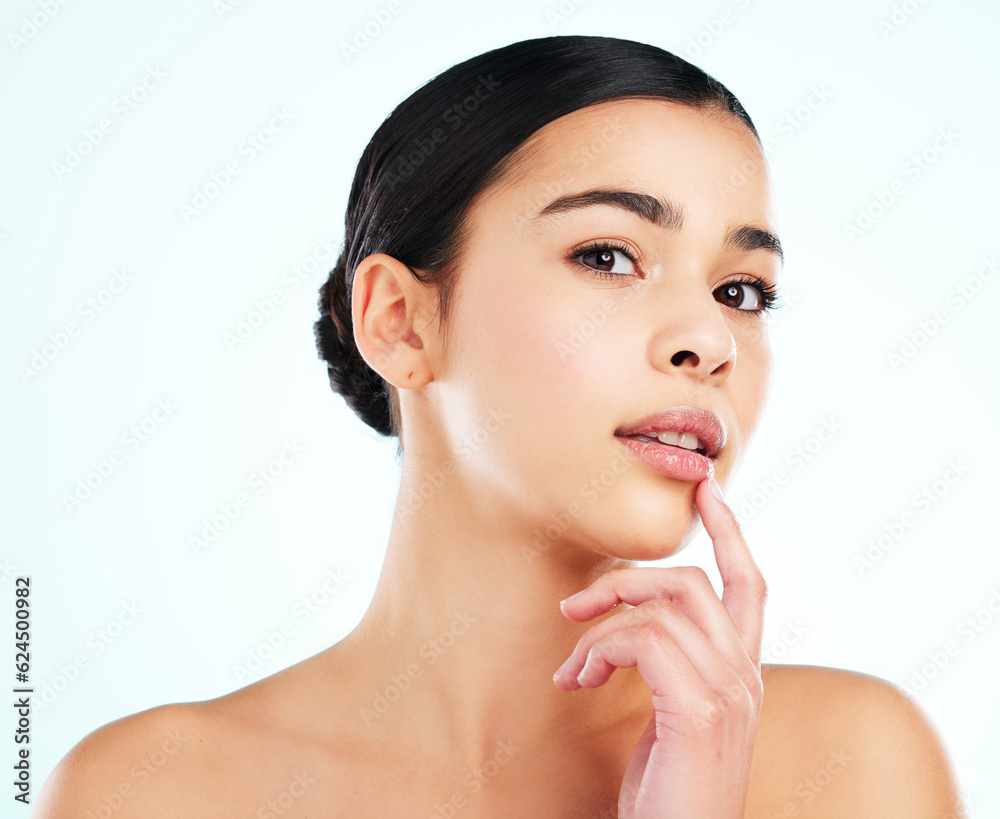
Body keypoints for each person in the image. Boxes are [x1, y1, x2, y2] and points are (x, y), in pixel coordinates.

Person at [35, 35, 962, 818]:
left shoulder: (850, 765)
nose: (710, 339)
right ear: (399, 320)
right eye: (609, 255)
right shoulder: (149, 789)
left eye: (741, 290)